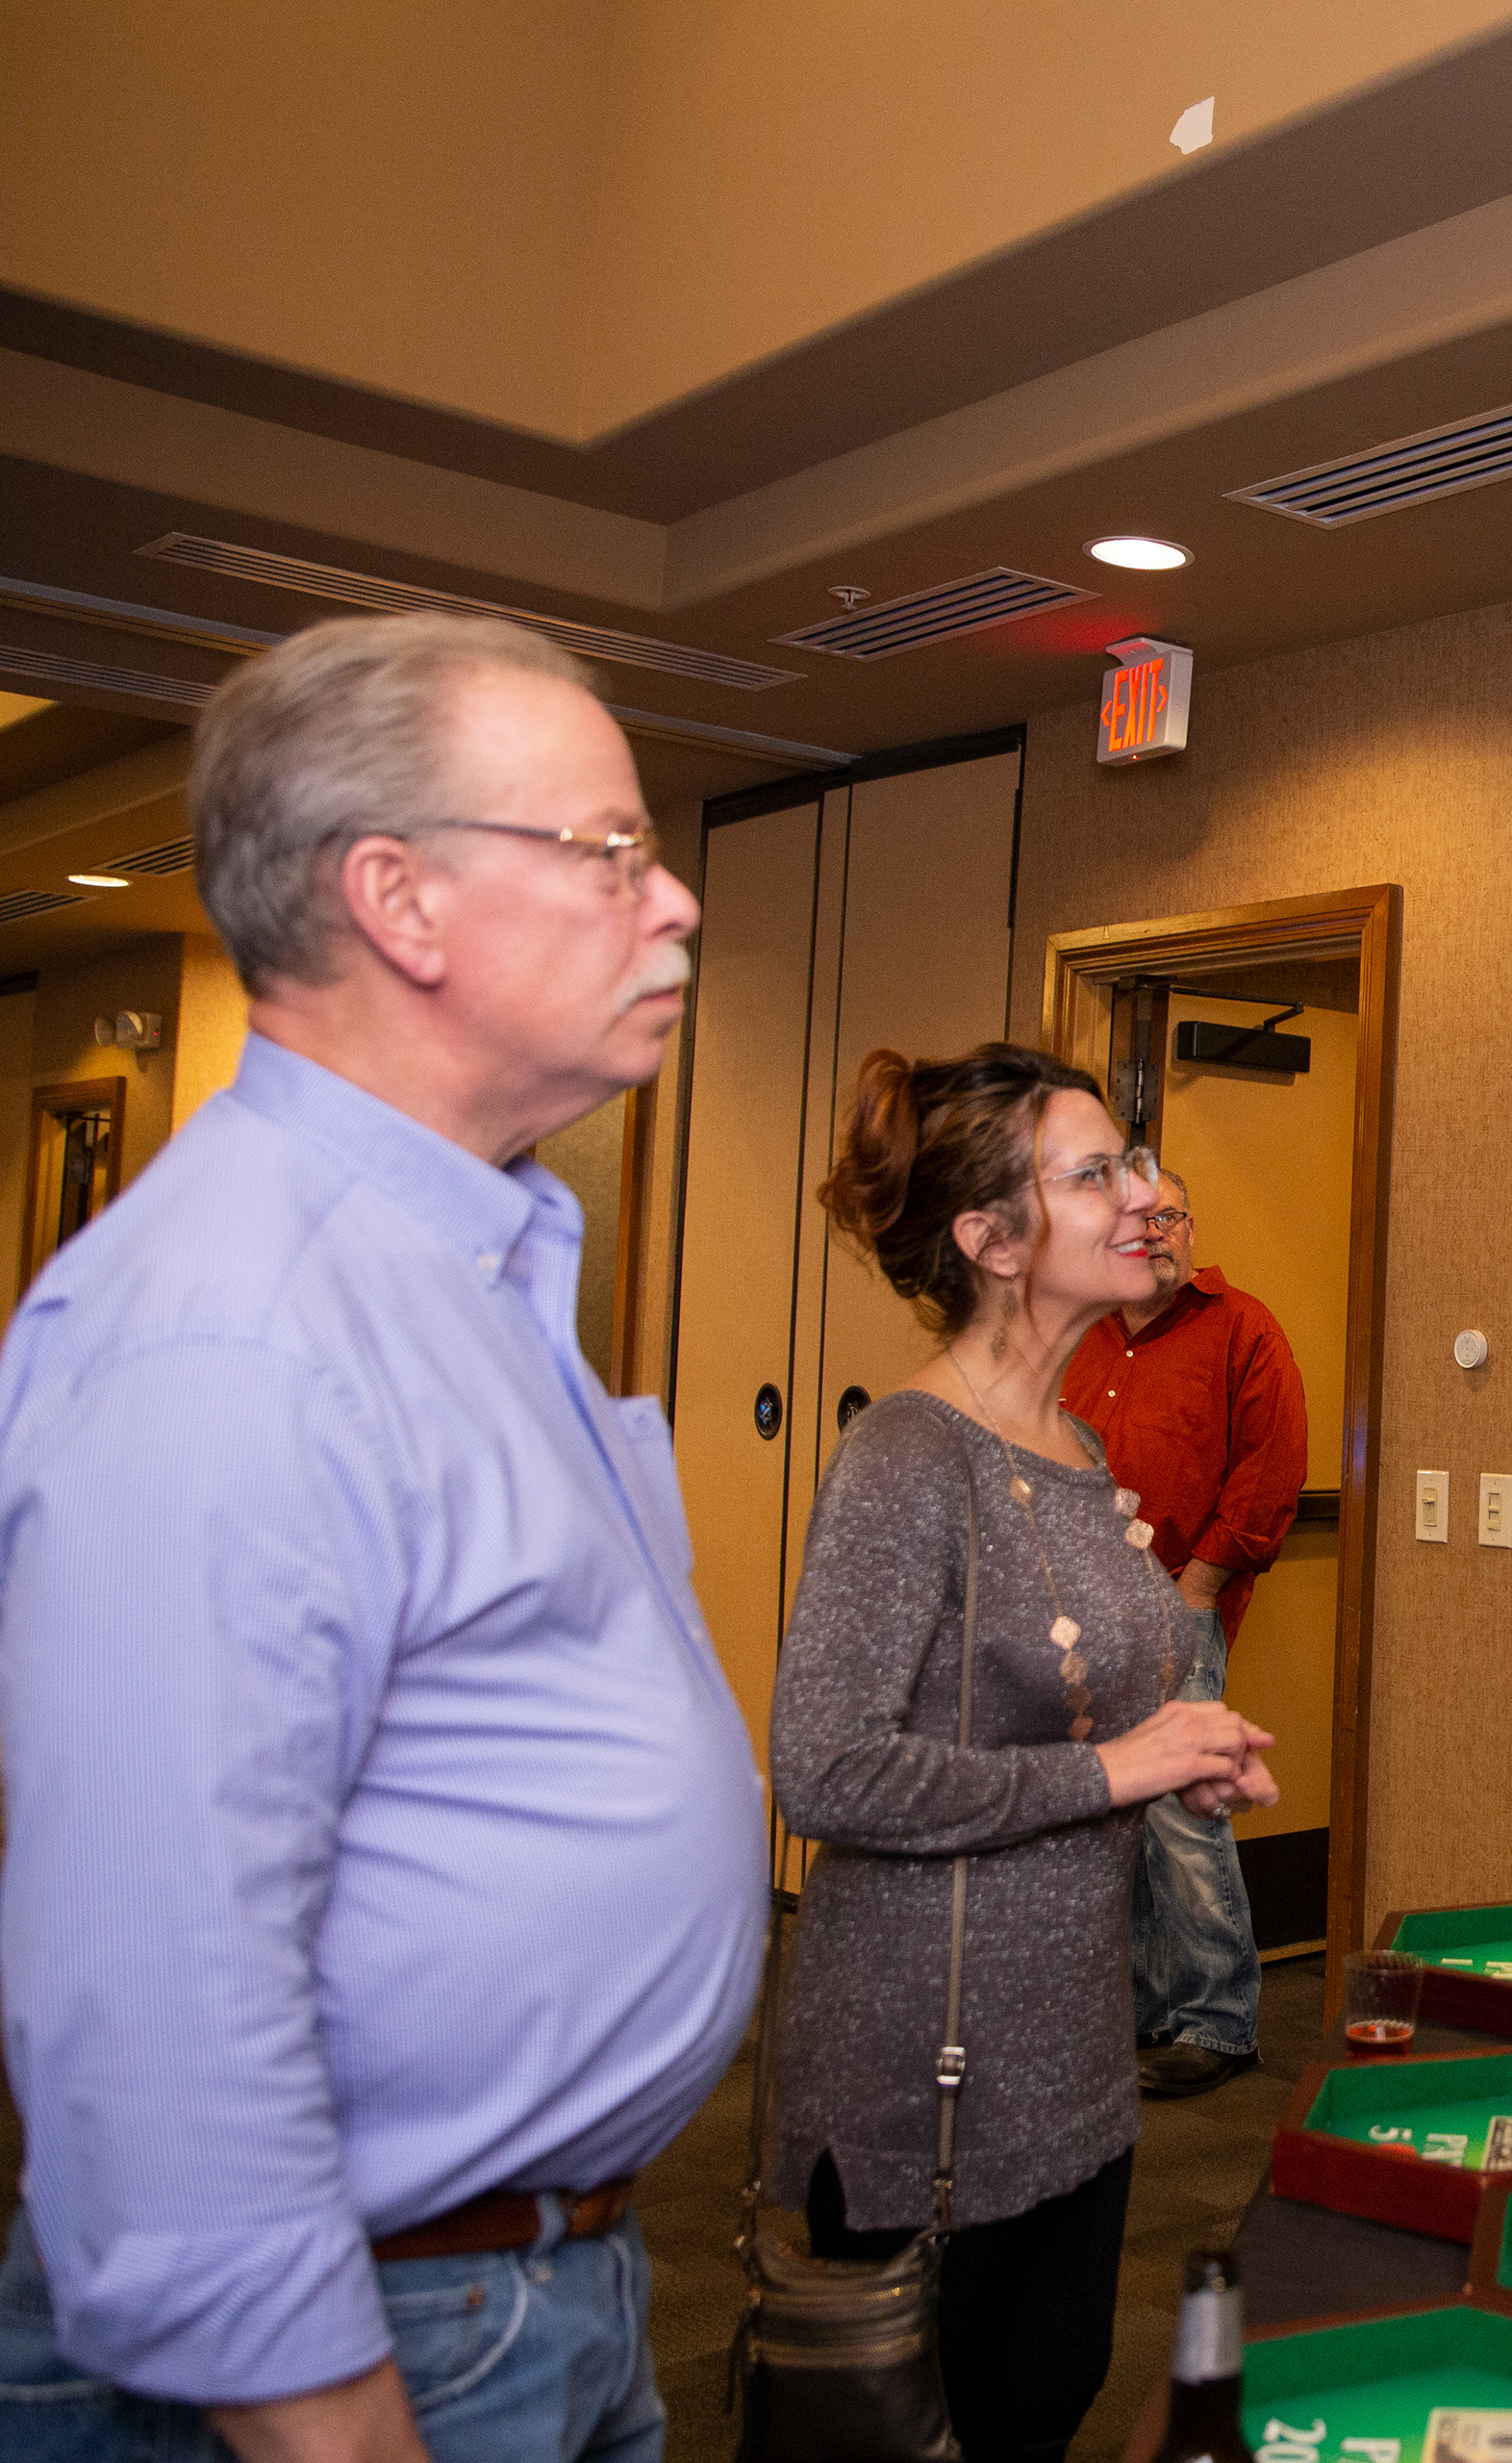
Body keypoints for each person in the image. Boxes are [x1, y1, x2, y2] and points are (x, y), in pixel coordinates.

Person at [0, 613, 768, 2463]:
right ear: (398, 901)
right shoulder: (235, 1326)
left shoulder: (464, 1266)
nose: (672, 902)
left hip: (534, 2289)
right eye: (610, 849)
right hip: (371, 2342)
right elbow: (159, 2002)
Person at [771, 1043, 1278, 2463]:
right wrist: (1114, 1773)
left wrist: (1176, 1753)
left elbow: (1061, 1706)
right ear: (993, 1242)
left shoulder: (1071, 1443)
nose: (1148, 1197)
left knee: (1045, 2401)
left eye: (1135, 1163)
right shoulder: (910, 1458)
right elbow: (826, 1768)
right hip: (932, 2080)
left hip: (1071, 2059)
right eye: (1097, 1174)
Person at [1060, 1167, 1310, 2097]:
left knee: (1182, 1814)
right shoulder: (1079, 1329)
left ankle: (1219, 2023)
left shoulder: (1241, 1329)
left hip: (1177, 1604)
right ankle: (1143, 2010)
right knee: (1109, 1810)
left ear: (1191, 1229)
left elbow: (1272, 1468)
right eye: (1138, 1218)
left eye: (1170, 1216)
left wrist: (1199, 1585)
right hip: (1081, 1610)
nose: (1155, 1231)